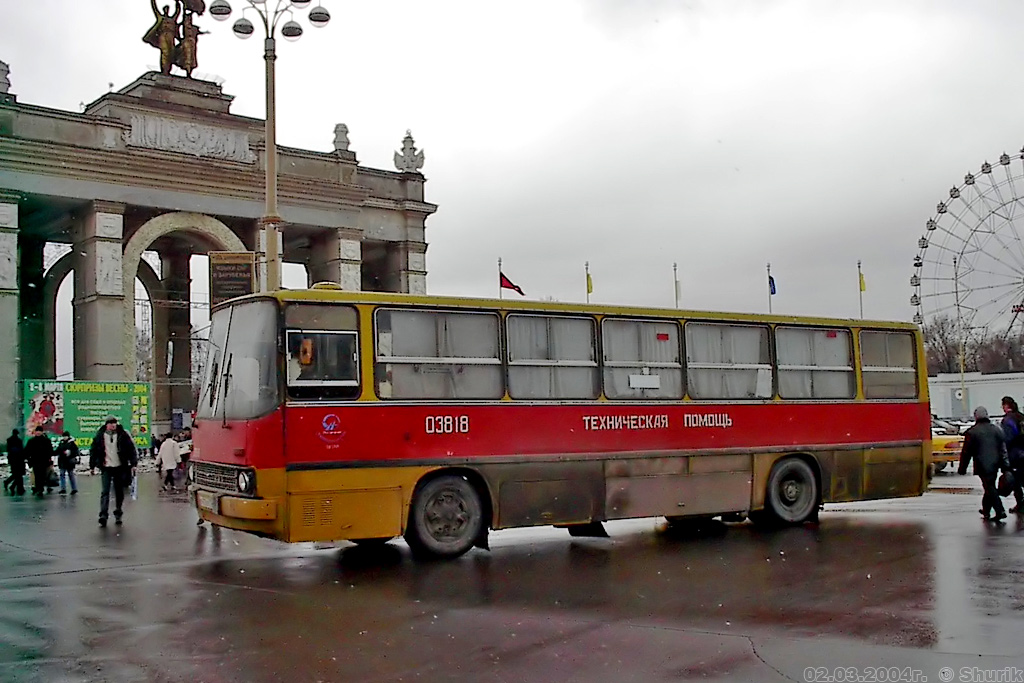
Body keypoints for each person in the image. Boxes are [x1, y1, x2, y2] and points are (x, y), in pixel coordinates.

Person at [958, 406, 1011, 522]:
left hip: (982, 464)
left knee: (989, 487)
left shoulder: (972, 432)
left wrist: (962, 468)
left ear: (976, 416)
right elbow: (1003, 449)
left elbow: (966, 452)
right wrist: (1005, 465)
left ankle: (1000, 511)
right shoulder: (996, 429)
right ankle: (986, 510)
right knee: (989, 486)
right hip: (996, 464)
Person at [89, 416, 138, 527]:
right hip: (106, 467)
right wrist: (92, 466)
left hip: (119, 467)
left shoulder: (122, 435)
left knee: (119, 491)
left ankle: (118, 512)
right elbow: (94, 450)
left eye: (114, 423)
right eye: (111, 423)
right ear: (106, 425)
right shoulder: (100, 436)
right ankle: (103, 515)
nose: (113, 425)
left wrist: (133, 464)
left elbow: (131, 449)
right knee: (105, 491)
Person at [25, 427, 55, 497]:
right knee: (37, 475)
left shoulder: (46, 441)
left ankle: (40, 489)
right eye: (37, 431)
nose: (38, 432)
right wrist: (28, 459)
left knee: (42, 475)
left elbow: (50, 451)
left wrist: (49, 459)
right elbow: (27, 451)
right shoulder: (31, 441)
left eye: (39, 431)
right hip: (35, 461)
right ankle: (39, 489)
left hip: (44, 461)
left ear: (42, 432)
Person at [55, 431, 80, 495]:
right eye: (64, 436)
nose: (64, 437)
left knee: (70, 475)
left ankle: (74, 489)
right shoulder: (61, 443)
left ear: (68, 437)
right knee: (62, 475)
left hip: (69, 462)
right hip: (62, 461)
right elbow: (58, 450)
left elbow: (76, 451)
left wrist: (70, 453)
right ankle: (63, 488)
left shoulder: (72, 443)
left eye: (65, 436)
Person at [3, 429, 25, 495]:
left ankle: (10, 484)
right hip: (19, 459)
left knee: (16, 474)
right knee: (19, 474)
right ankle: (15, 486)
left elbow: (8, 450)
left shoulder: (9, 440)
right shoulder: (19, 441)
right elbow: (21, 450)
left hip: (12, 459)